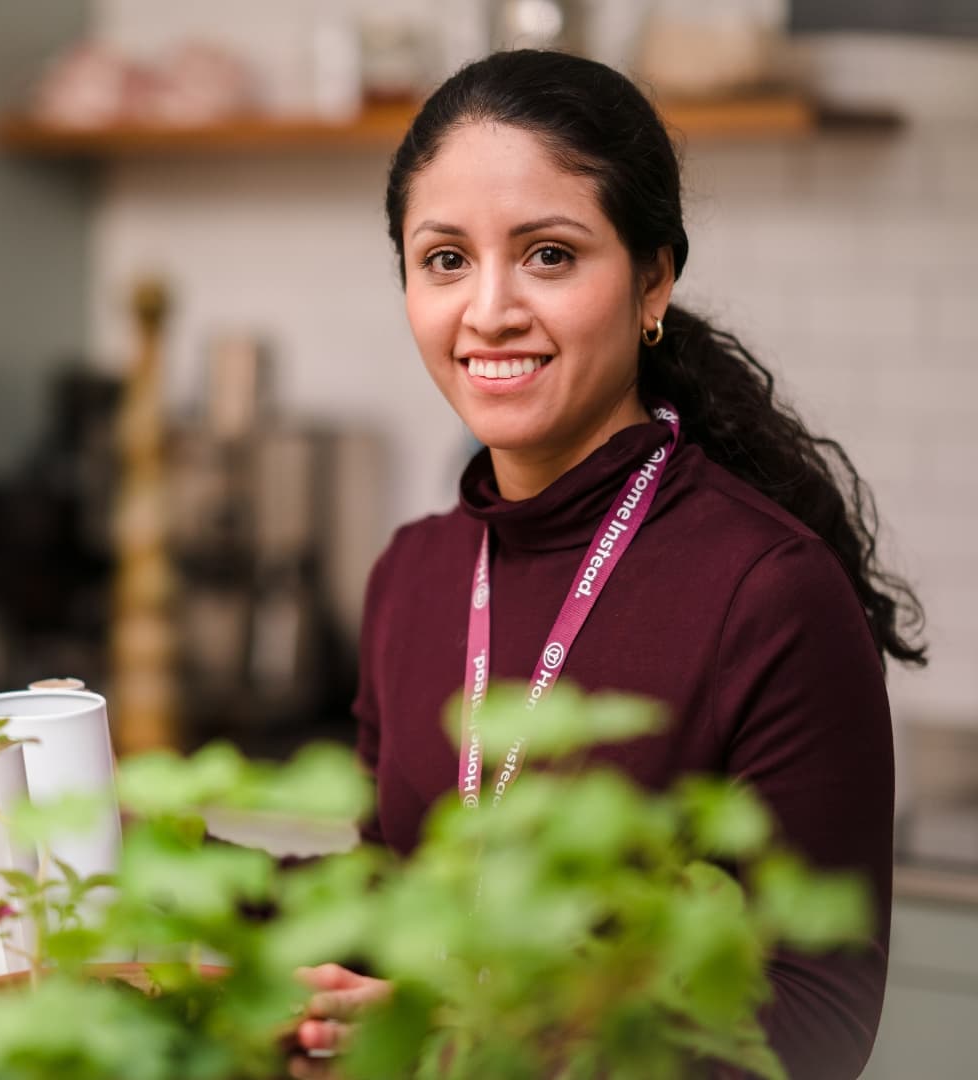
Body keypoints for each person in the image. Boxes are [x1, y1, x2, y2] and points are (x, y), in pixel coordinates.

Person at [291, 48, 926, 1080]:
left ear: (652, 280)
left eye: (548, 255)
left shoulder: (771, 592)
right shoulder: (410, 574)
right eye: (445, 259)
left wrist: (476, 1049)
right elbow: (389, 898)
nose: (489, 309)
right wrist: (141, 856)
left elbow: (817, 1021)